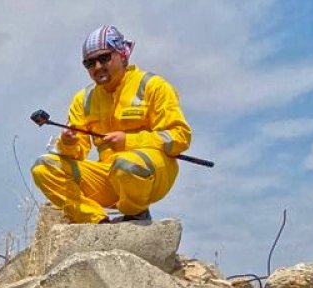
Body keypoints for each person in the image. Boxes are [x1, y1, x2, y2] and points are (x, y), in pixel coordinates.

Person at [30, 24, 192, 224]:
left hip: (151, 174)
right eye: (89, 63)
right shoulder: (83, 99)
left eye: (104, 58)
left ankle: (135, 212)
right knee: (43, 167)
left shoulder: (153, 86)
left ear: (123, 55)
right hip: (108, 177)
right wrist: (68, 143)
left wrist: (129, 140)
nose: (97, 67)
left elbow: (180, 137)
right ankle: (97, 221)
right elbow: (77, 152)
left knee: (125, 165)